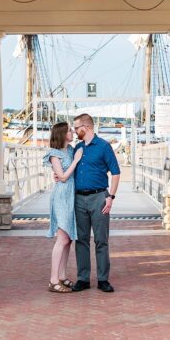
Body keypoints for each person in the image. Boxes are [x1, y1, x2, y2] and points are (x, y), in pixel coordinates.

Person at [71, 113, 121, 293]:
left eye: (77, 128)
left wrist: (111, 197)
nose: (75, 131)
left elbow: (115, 172)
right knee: (81, 240)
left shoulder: (104, 147)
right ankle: (83, 278)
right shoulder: (76, 147)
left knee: (101, 240)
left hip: (99, 197)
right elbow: (68, 170)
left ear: (87, 127)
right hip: (78, 199)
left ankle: (102, 279)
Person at [42, 122, 84, 294]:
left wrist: (75, 158)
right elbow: (63, 177)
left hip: (71, 196)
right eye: (69, 130)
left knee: (68, 239)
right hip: (61, 196)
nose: (72, 132)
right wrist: (75, 161)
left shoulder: (71, 149)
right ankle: (53, 280)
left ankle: (62, 276)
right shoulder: (54, 154)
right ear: (61, 134)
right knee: (62, 239)